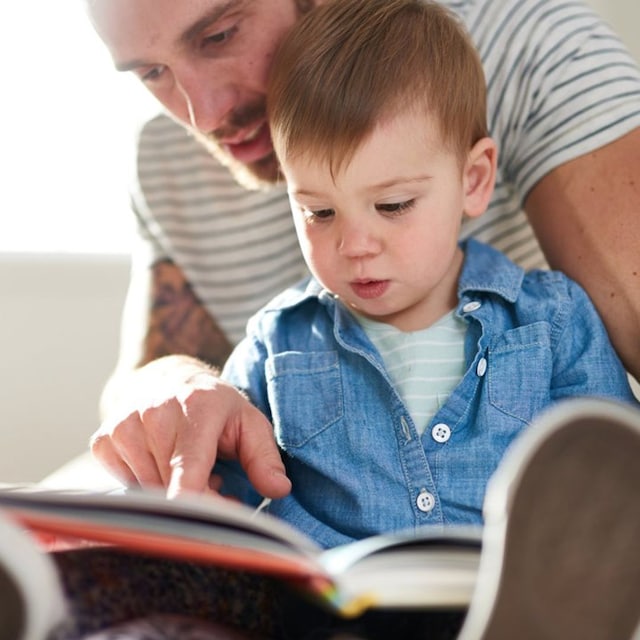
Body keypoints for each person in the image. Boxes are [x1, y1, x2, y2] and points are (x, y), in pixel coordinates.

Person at [84, 0, 640, 502]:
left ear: (474, 178)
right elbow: (142, 390)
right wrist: (175, 394)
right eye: (151, 73)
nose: (202, 116)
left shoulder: (530, 48)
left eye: (221, 35)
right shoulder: (164, 156)